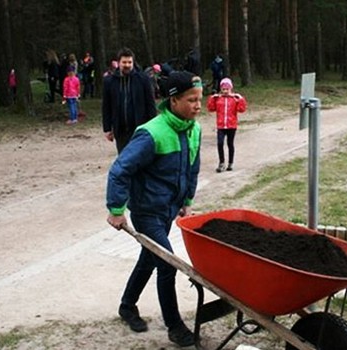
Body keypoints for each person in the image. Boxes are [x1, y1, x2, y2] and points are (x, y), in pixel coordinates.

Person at [105, 70, 203, 347]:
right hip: (147, 211)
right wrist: (116, 208)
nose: (198, 105)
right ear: (173, 101)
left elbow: (192, 168)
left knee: (149, 258)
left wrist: (186, 201)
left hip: (167, 209)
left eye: (199, 99)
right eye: (191, 99)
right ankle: (174, 325)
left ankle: (126, 306)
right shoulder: (152, 133)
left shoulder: (193, 129)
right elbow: (120, 169)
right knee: (167, 263)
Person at [102, 47, 157, 153]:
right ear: (118, 63)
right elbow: (106, 106)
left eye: (129, 62)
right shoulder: (109, 82)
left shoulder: (143, 79)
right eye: (124, 62)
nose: (127, 65)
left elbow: (150, 104)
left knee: (141, 159)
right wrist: (107, 128)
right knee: (124, 160)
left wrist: (153, 126)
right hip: (120, 130)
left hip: (140, 127)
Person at [207, 77, 247, 172]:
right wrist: (212, 98)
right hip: (221, 125)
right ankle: (221, 162)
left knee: (230, 144)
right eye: (223, 89)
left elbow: (241, 109)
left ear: (231, 89)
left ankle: (230, 162)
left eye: (227, 89)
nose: (225, 91)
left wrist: (240, 99)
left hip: (231, 125)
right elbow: (211, 108)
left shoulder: (234, 99)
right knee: (220, 143)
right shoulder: (218, 99)